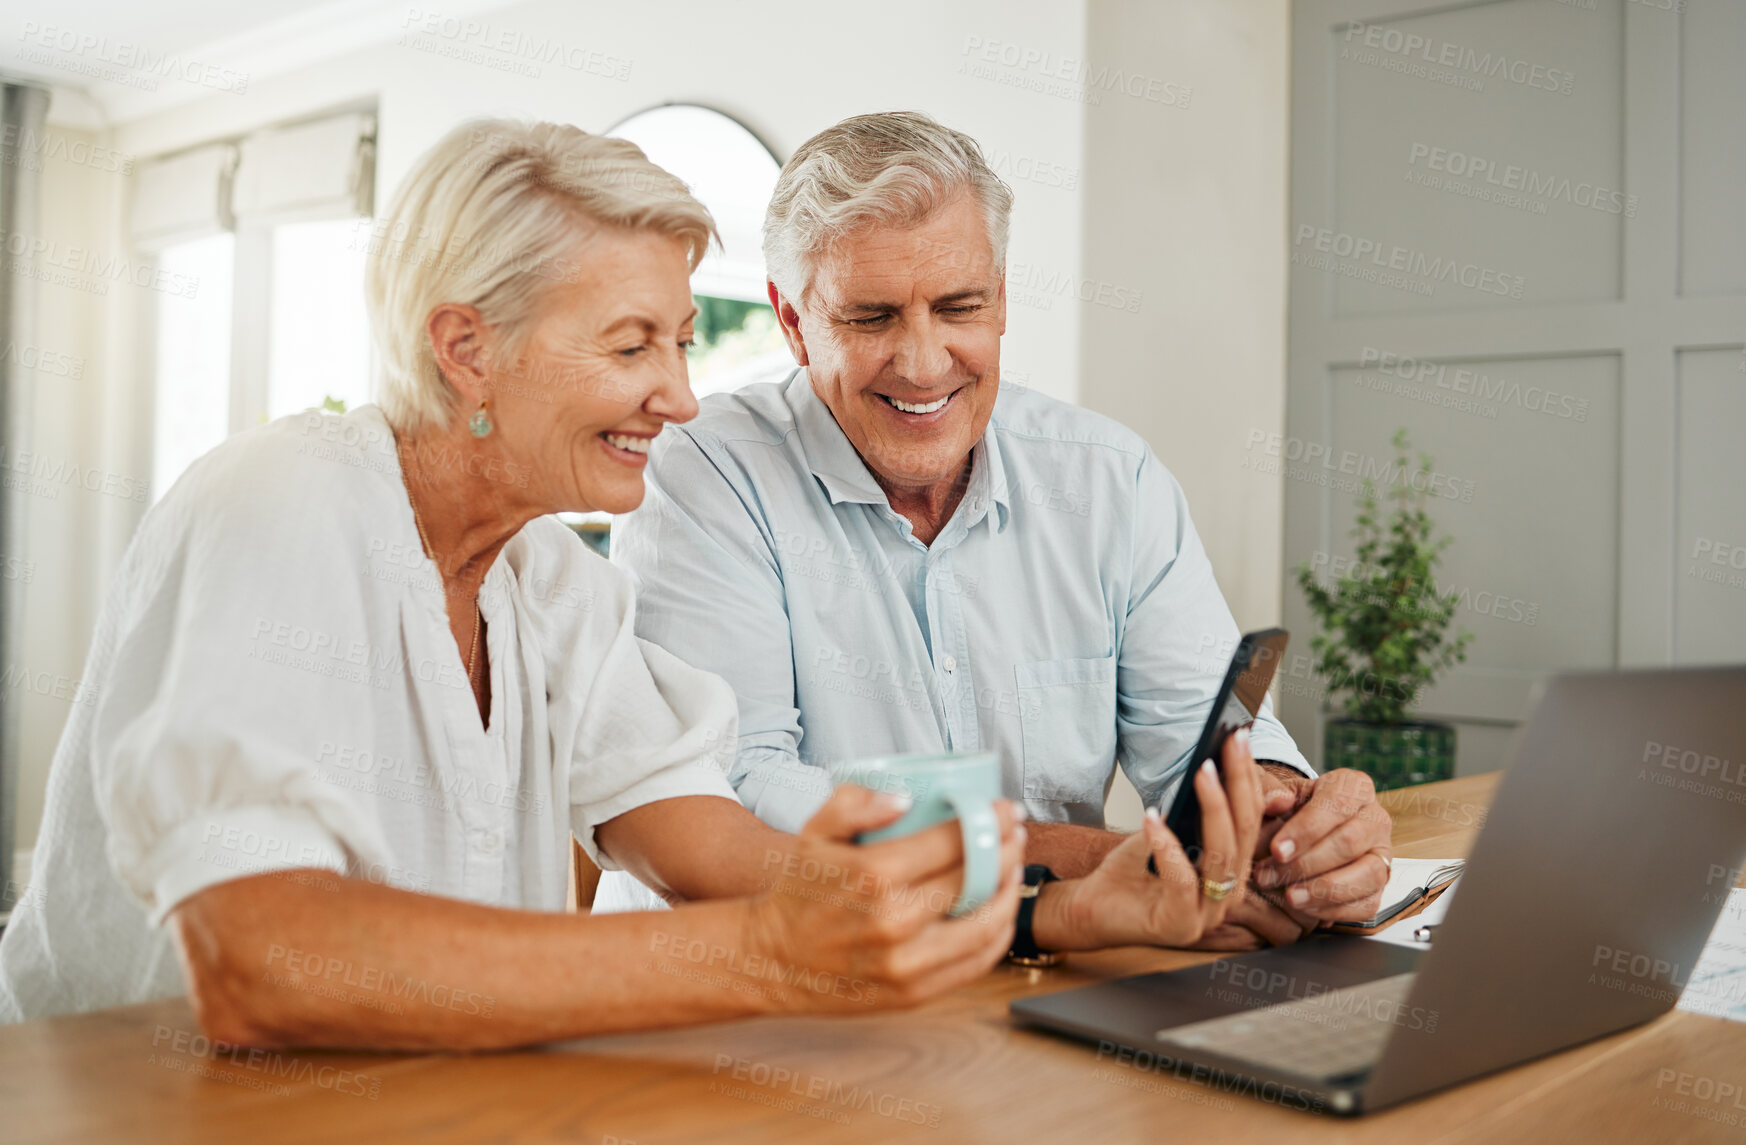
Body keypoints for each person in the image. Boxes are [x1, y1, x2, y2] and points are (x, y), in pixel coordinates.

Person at [0, 119, 1048, 1046]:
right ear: (467, 349)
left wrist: (891, 886)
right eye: (631, 344)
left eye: (680, 343)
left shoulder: (546, 577)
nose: (680, 398)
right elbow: (259, 957)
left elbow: (690, 829)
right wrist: (768, 950)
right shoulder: (283, 499)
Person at [605, 112, 1393, 954]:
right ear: (793, 323)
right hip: (751, 1002)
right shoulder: (701, 470)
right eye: (871, 318)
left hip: (1030, 982)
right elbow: (736, 791)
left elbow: (1204, 744)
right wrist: (1060, 859)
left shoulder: (1108, 479)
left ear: (1004, 298)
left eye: (959, 306)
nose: (922, 361)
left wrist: (1285, 820)